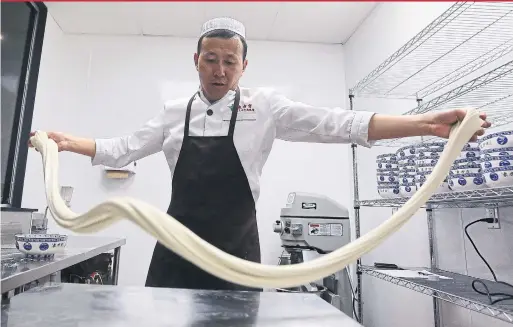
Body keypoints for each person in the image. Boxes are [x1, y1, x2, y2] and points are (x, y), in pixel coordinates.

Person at [30, 17, 491, 292]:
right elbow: (122, 148)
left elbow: (338, 124)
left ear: (244, 66)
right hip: (176, 247)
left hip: (237, 249)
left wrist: (424, 124)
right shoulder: (175, 112)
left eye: (230, 61)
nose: (221, 69)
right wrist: (67, 143)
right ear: (196, 60)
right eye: (211, 59)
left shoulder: (265, 107)